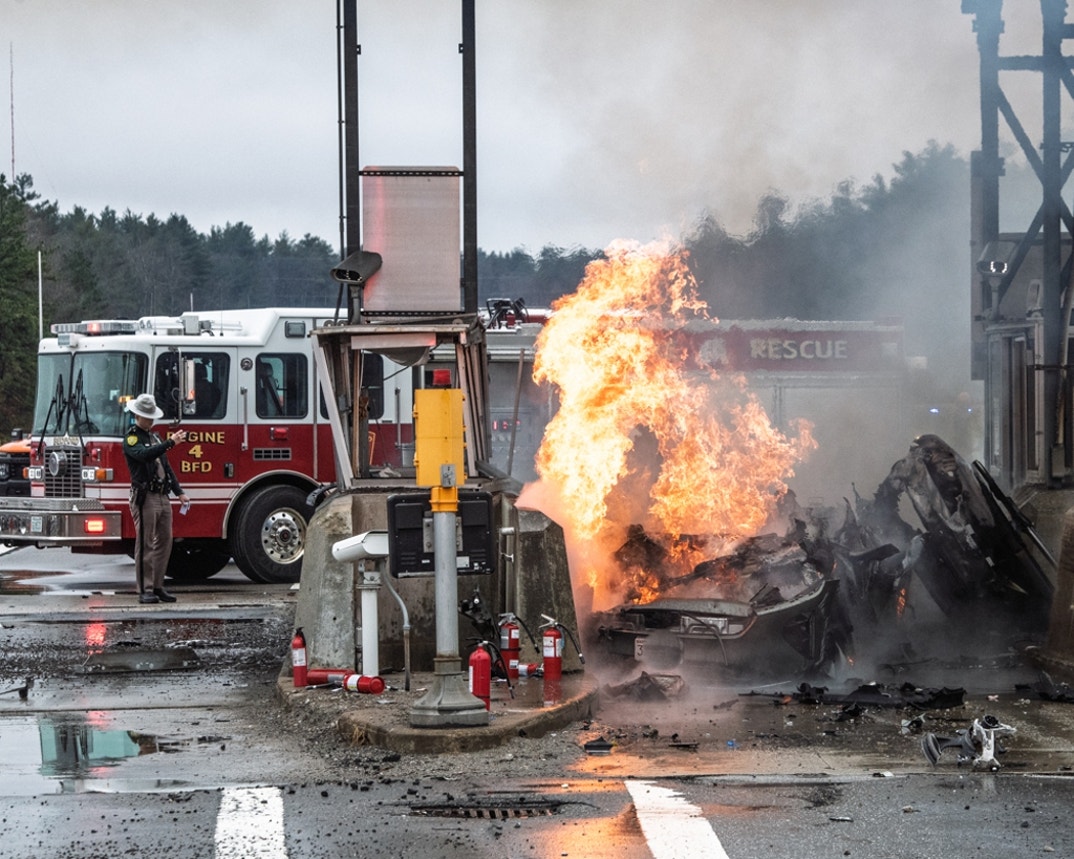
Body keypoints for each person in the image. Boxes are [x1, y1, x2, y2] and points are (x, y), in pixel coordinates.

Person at [123, 393, 189, 604]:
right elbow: (144, 455)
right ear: (136, 416)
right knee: (145, 543)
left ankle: (158, 586)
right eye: (146, 416)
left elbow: (166, 467)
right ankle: (145, 589)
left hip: (162, 495)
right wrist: (170, 443)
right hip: (145, 495)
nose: (150, 421)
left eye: (151, 417)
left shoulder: (155, 437)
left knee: (165, 541)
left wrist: (178, 491)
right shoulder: (132, 438)